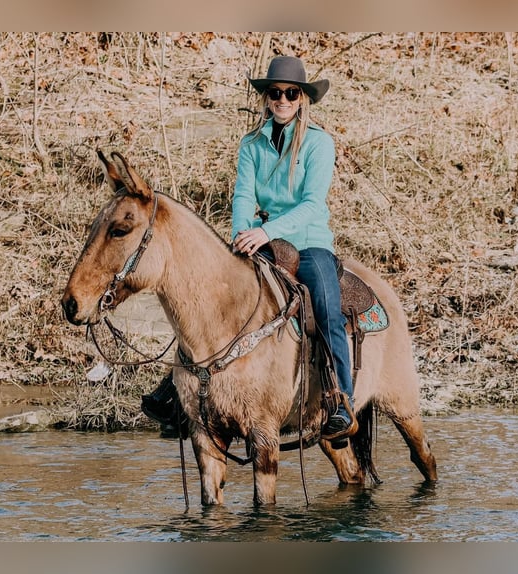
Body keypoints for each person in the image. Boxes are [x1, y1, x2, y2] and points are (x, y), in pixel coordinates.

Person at [142, 55, 357, 441]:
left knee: (326, 308)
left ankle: (340, 399)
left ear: (303, 98)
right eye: (275, 93)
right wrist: (243, 234)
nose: (283, 100)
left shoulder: (319, 144)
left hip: (307, 242)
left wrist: (268, 231)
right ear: (266, 97)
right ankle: (175, 392)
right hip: (258, 240)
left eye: (291, 93)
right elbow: (242, 195)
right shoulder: (252, 144)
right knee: (206, 298)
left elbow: (312, 204)